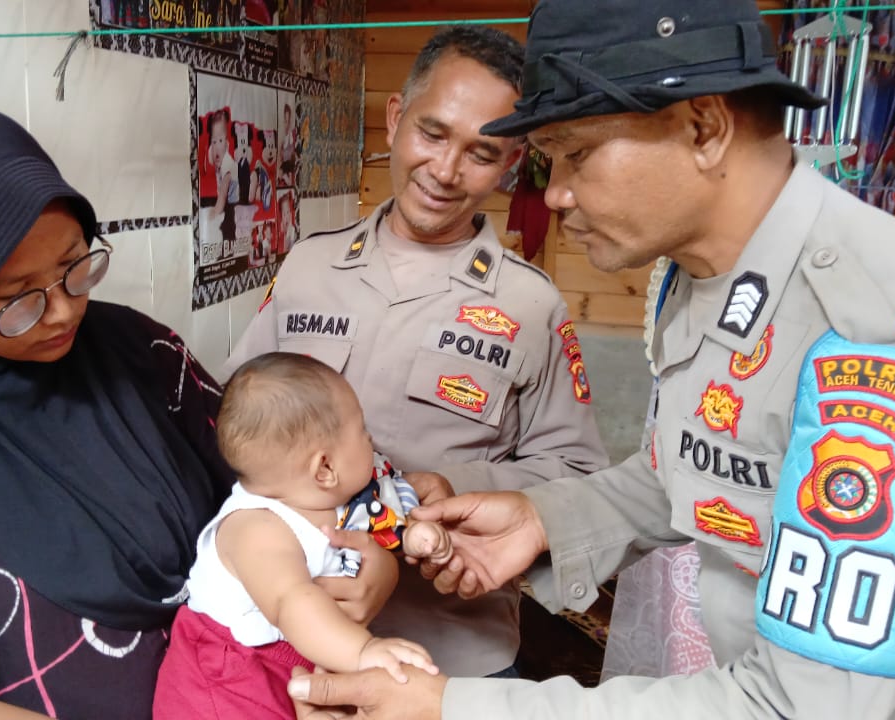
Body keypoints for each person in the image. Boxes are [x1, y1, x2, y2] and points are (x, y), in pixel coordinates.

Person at [288, 0, 895, 717]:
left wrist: (451, 707)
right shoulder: (703, 278)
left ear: (704, 128)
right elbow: (699, 471)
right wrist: (545, 520)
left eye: (577, 153)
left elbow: (796, 706)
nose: (556, 194)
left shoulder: (876, 339)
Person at [0, 80, 394, 720]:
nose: (62, 312)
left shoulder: (139, 351)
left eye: (76, 266)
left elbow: (290, 477)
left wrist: (375, 568)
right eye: (16, 299)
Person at [225, 25, 609, 679]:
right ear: (396, 118)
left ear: (510, 162)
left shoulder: (531, 305)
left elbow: (579, 477)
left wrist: (458, 487)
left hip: (452, 657)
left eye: (481, 153)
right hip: (290, 646)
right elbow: (236, 424)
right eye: (432, 134)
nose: (446, 171)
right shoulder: (308, 268)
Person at [154, 353, 451, 719]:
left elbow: (389, 506)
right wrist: (363, 651)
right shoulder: (256, 528)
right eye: (362, 430)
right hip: (229, 674)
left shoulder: (326, 496)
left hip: (298, 649)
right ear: (324, 468)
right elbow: (291, 602)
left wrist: (419, 518)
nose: (371, 439)